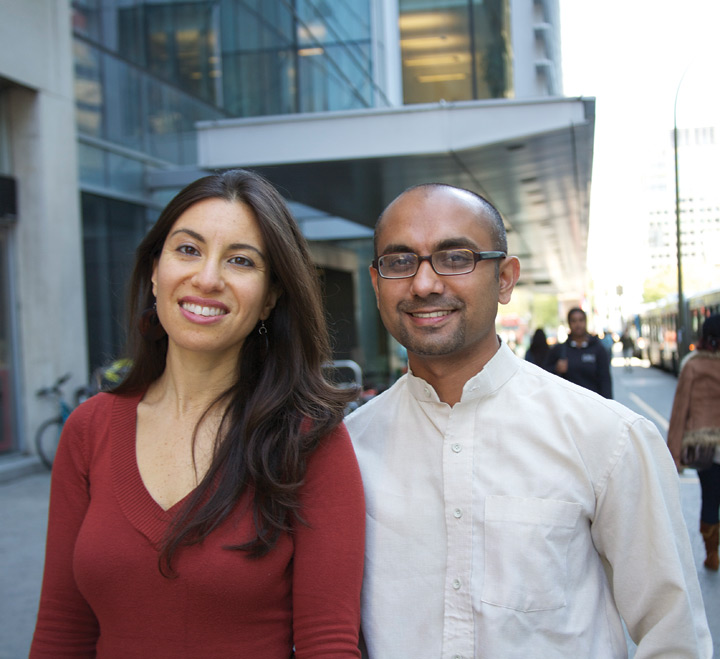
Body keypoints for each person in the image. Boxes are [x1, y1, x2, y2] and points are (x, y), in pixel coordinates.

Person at [346, 183, 711, 658]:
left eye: (455, 257)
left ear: (505, 279)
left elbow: (674, 636)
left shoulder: (608, 438)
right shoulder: (347, 449)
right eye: (400, 262)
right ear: (376, 284)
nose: (424, 283)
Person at [30, 170, 365, 658]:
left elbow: (328, 644)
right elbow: (62, 630)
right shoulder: (89, 429)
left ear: (271, 296)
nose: (207, 278)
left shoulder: (309, 440)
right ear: (154, 270)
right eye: (188, 250)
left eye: (241, 260)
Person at [668, 314, 720, 571]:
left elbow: (680, 410)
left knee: (710, 499)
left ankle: (712, 554)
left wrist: (673, 453)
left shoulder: (693, 365)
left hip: (704, 447)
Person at [546, 307, 613, 398]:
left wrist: (608, 405)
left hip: (593, 404)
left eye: (581, 320)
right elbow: (545, 375)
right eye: (574, 321)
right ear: (569, 324)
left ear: (585, 322)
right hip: (568, 405)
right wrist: (556, 369)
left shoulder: (598, 349)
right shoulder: (559, 350)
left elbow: (605, 379)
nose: (578, 324)